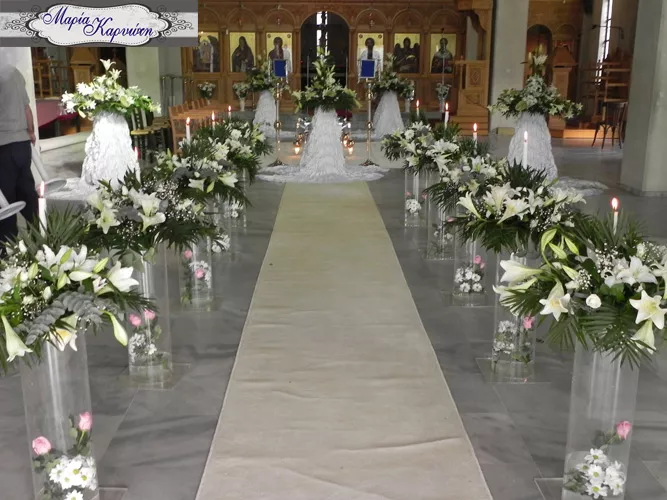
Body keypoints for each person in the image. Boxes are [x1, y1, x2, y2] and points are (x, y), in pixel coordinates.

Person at [0, 61, 38, 248]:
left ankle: (9, 249)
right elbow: (26, 108)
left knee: (5, 201)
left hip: (3, 145)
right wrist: (30, 132)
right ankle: (41, 238)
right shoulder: (13, 71)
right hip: (22, 143)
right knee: (27, 193)